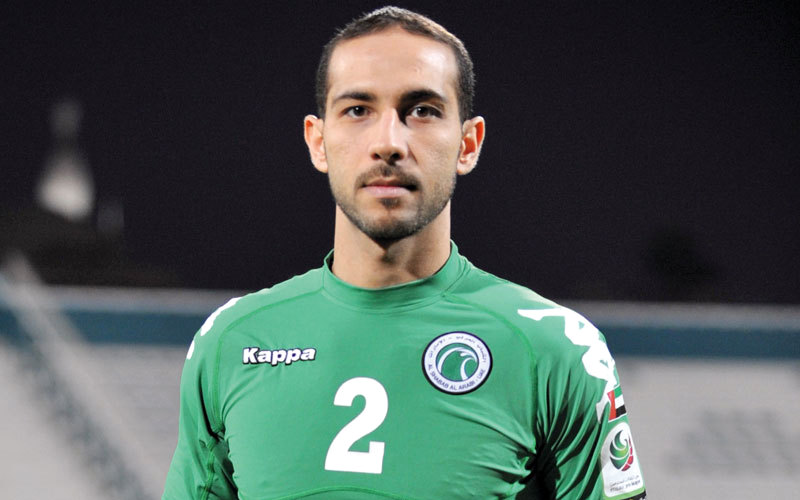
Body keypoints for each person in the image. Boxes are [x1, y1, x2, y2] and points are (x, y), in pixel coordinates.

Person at [163, 6, 646, 499]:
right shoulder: (230, 342)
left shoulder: (555, 350)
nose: (388, 143)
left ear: (468, 144)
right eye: (358, 110)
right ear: (318, 141)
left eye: (422, 110)